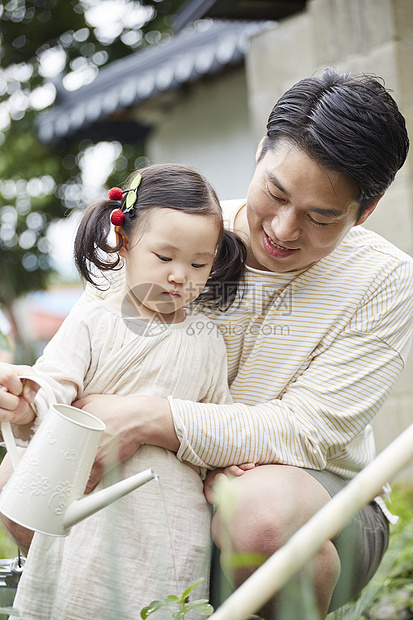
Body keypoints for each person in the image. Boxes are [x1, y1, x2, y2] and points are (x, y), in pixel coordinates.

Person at [1, 68, 412, 618]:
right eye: (276, 193)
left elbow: (311, 431)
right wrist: (32, 399)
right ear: (262, 148)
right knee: (24, 474)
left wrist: (147, 418)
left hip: (309, 499)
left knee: (259, 515)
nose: (285, 230)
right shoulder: (171, 234)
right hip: (164, 484)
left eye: (320, 217)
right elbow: (83, 362)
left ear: (367, 210)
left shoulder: (385, 281)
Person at [0, 163, 246, 619]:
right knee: (78, 599)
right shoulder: (95, 318)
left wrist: (228, 464)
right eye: (164, 257)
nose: (179, 276)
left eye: (198, 263)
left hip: (170, 523)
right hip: (89, 515)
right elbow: (55, 381)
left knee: (158, 604)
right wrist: (26, 395)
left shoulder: (207, 339)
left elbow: (215, 421)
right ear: (125, 242)